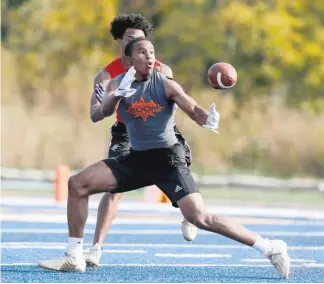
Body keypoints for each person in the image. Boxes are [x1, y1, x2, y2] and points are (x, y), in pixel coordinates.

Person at [38, 38, 291, 279]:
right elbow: (97, 114)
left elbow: (192, 109)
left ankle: (270, 247)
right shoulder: (116, 83)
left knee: (200, 217)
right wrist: (116, 96)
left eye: (151, 52)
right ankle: (75, 256)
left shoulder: (165, 83)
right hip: (136, 160)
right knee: (77, 184)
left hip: (167, 160)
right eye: (142, 52)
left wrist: (207, 119)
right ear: (128, 60)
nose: (149, 57)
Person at [87, 13, 197, 267]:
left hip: (160, 132)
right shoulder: (106, 76)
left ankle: (190, 214)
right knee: (114, 188)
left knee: (180, 171)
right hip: (127, 131)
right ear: (120, 42)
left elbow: (178, 103)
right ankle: (96, 248)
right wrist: (109, 100)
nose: (140, 48)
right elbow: (95, 115)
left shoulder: (161, 70)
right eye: (131, 40)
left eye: (143, 41)